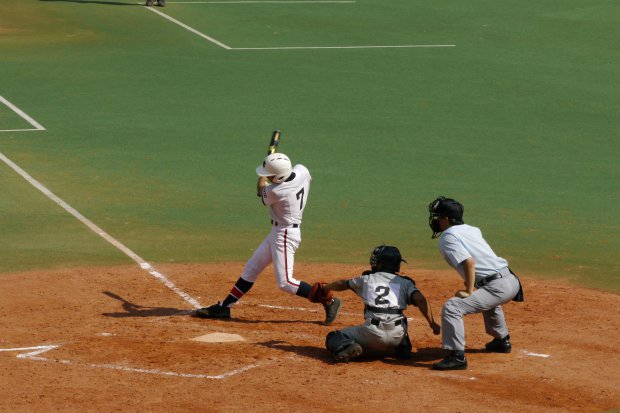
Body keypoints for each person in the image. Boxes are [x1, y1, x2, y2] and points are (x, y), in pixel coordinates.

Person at [194, 152, 341, 325]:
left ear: (279, 176)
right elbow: (308, 178)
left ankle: (329, 300)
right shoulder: (301, 170)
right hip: (278, 232)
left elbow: (260, 190)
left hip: (285, 235)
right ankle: (224, 307)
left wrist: (264, 175)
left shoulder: (277, 191)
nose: (267, 176)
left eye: (270, 174)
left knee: (285, 282)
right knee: (251, 269)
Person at [427, 196, 524, 370]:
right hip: (511, 281)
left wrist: (469, 290)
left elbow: (469, 262)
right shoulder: (472, 229)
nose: (435, 220)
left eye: (438, 216)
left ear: (446, 219)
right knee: (487, 297)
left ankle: (456, 357)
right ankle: (501, 341)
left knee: (452, 307)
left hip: (497, 287)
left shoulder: (448, 236)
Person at [322, 245, 441, 363]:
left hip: (372, 334)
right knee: (400, 319)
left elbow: (342, 284)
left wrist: (326, 288)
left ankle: (347, 346)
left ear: (379, 263)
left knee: (334, 336)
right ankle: (403, 347)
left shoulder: (367, 279)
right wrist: (432, 323)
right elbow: (421, 300)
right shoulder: (405, 283)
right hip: (397, 336)